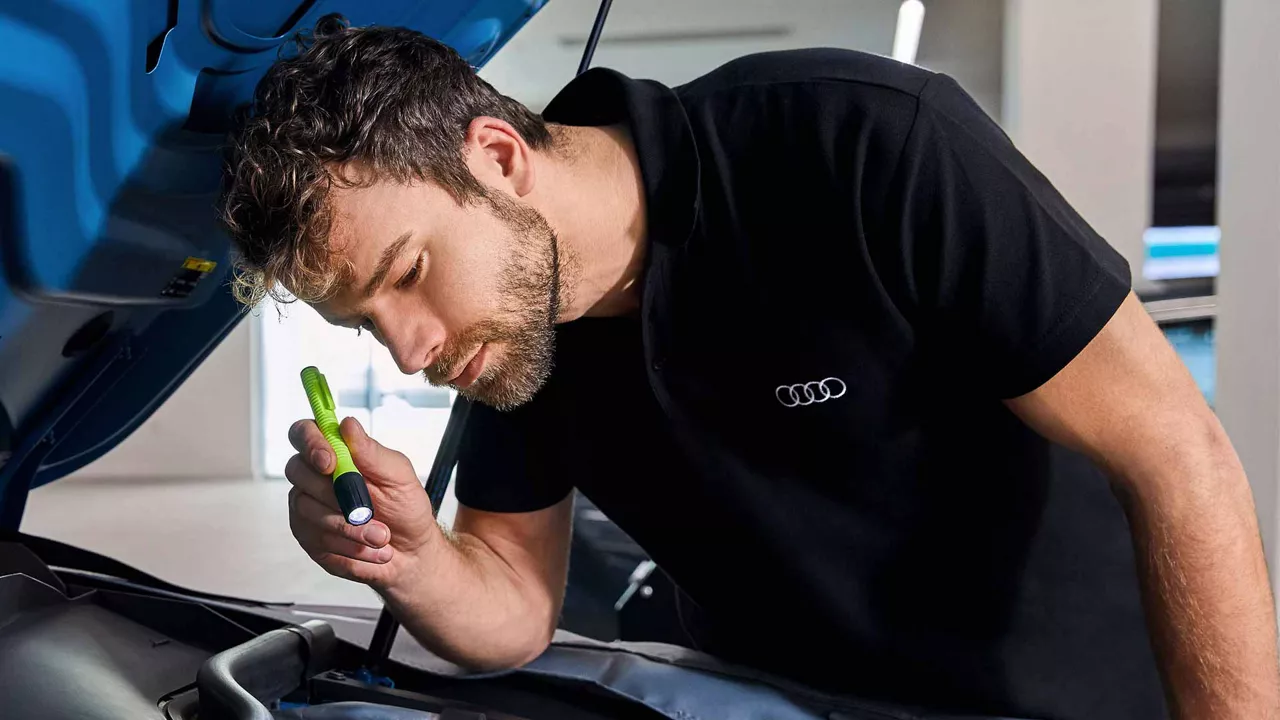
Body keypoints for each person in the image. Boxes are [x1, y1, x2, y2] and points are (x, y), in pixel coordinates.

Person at [219, 15, 1280, 720]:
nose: (410, 351)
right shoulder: (515, 330)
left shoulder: (862, 144)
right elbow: (514, 609)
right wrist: (410, 560)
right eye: (362, 326)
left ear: (497, 156)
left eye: (407, 274)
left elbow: (1177, 458)